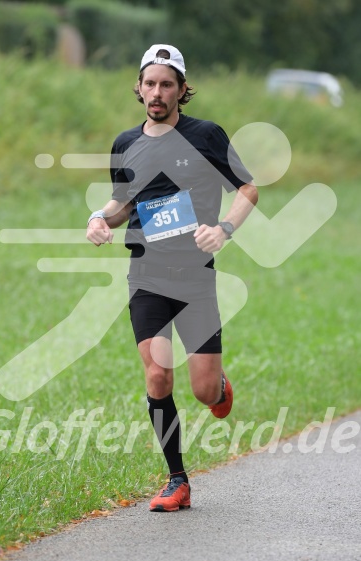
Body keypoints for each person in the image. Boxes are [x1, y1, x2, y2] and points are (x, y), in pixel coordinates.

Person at [86, 44, 258, 512]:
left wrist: (223, 229)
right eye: (150, 84)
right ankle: (177, 480)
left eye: (167, 84)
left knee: (204, 391)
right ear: (138, 89)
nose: (157, 93)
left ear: (183, 90)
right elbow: (123, 204)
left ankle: (220, 388)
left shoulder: (206, 135)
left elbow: (248, 188)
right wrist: (99, 219)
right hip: (146, 275)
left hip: (195, 279)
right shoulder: (126, 143)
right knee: (158, 376)